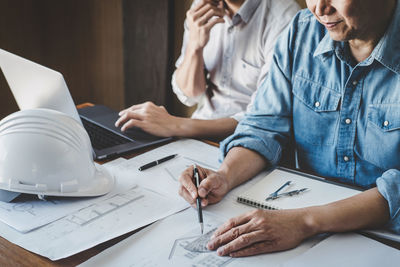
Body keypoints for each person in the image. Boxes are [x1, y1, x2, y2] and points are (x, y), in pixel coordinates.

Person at [178, 0, 400, 257]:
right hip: (301, 223)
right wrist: (225, 176)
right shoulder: (302, 32)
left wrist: (305, 222)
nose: (319, 8)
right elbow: (264, 126)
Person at [115, 0, 300, 140]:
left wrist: (176, 125)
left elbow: (264, 119)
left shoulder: (284, 19)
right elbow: (189, 94)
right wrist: (195, 47)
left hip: (250, 144)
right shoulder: (202, 7)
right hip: (197, 135)